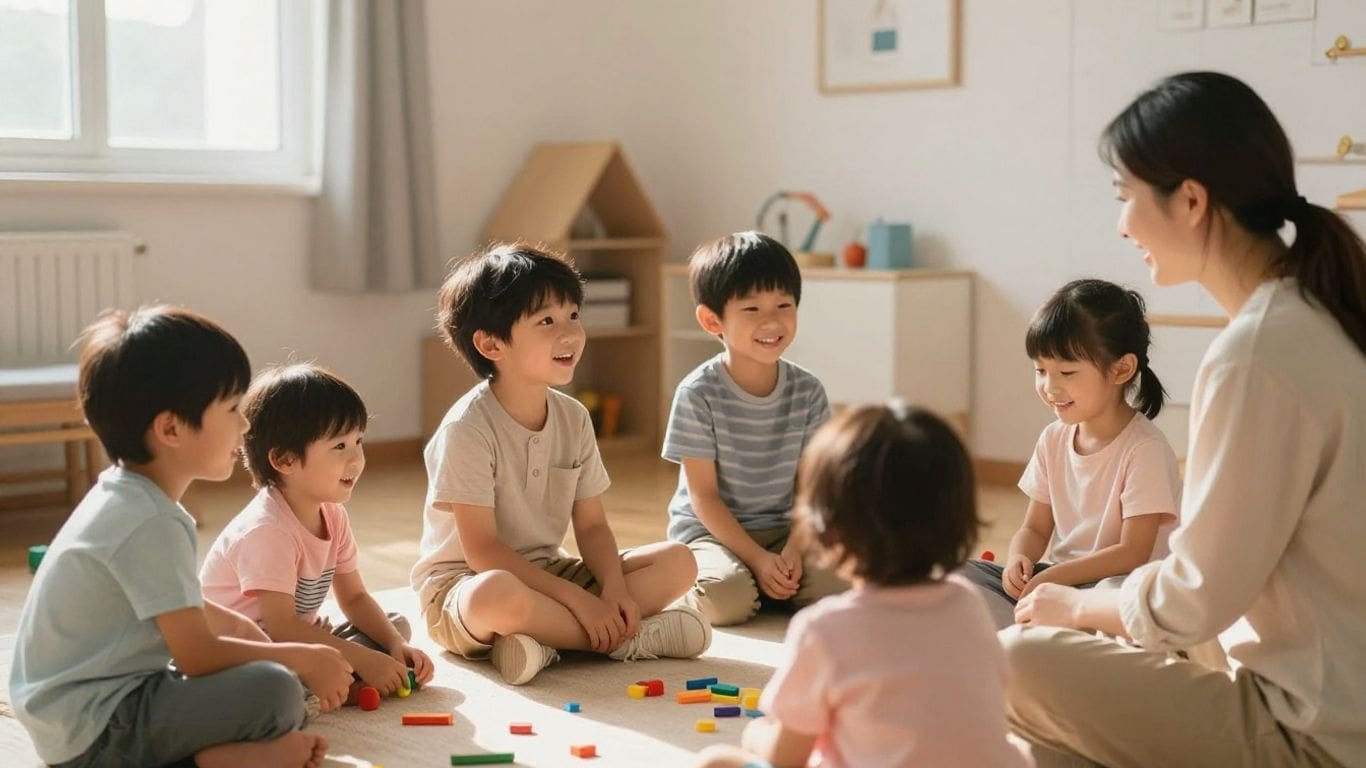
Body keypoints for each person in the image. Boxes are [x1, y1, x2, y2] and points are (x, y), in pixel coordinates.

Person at [1005, 71, 1366, 768]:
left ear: (1191, 200)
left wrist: (1076, 609)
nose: (1121, 224)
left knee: (1015, 661)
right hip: (1333, 695)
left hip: (1317, 735)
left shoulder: (1256, 355)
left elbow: (1195, 598)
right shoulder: (1319, 315)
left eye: (1127, 197)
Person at [9, 306, 352, 768]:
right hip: (94, 733)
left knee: (270, 674)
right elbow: (198, 654)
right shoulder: (149, 522)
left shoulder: (128, 497)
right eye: (233, 410)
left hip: (79, 714)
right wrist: (301, 657)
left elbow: (191, 610)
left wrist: (263, 643)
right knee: (276, 690)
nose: (246, 425)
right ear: (171, 428)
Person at [411, 243, 709, 686]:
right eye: (546, 321)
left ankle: (544, 643)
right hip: (465, 586)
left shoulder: (573, 417)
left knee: (679, 560)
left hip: (549, 572)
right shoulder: (467, 429)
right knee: (499, 595)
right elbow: (484, 552)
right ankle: (628, 640)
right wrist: (581, 601)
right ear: (491, 343)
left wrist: (612, 588)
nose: (569, 333)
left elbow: (591, 527)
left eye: (573, 315)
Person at [698, 404, 1032, 768]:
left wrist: (759, 736)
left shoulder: (825, 629)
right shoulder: (968, 603)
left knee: (716, 761)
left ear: (828, 529)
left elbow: (787, 759)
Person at [201, 363, 435, 703]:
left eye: (359, 441)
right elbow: (281, 629)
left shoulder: (332, 515)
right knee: (270, 684)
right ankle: (328, 688)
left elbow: (354, 598)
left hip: (296, 642)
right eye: (339, 446)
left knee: (395, 625)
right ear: (284, 460)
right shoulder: (268, 530)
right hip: (248, 654)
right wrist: (361, 658)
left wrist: (395, 647)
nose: (356, 459)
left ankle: (338, 681)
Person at [962, 278, 1180, 629]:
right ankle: (1028, 632)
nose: (1050, 387)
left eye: (1066, 372)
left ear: (1121, 369)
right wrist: (1021, 559)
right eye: (1041, 371)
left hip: (1116, 587)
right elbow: (1034, 528)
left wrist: (1054, 580)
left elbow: (1133, 553)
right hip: (1060, 581)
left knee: (1119, 591)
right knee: (960, 573)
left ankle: (1030, 633)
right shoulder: (1053, 439)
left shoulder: (1145, 450)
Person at [663, 231, 845, 627]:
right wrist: (759, 559)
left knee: (840, 586)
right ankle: (739, 582)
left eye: (784, 304)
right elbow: (704, 498)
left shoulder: (808, 391)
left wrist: (794, 551)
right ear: (713, 320)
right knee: (725, 601)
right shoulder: (698, 393)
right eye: (751, 309)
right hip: (712, 532)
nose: (772, 321)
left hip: (786, 529)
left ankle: (770, 583)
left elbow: (812, 489)